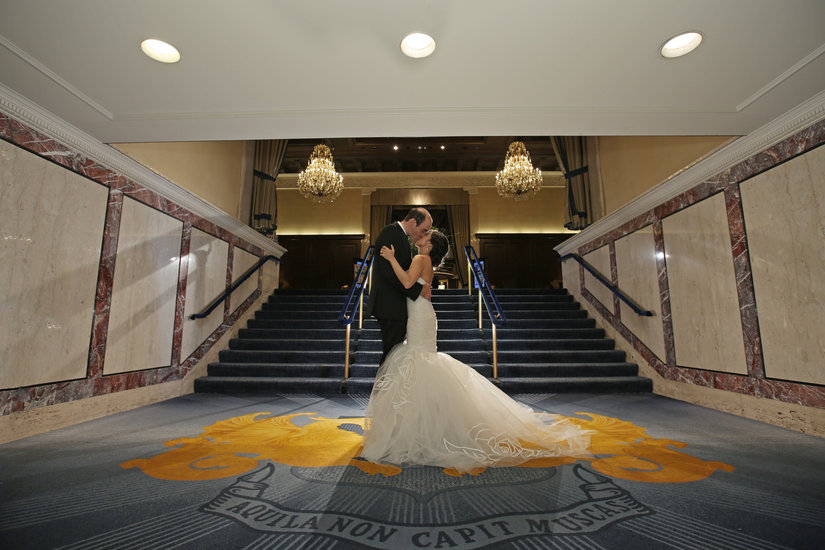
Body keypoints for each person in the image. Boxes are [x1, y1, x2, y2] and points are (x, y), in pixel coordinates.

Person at [360, 230, 591, 473]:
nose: (421, 236)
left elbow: (407, 283)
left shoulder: (420, 260)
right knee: (420, 363)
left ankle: (419, 431)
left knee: (419, 362)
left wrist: (391, 258)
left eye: (425, 235)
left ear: (429, 245)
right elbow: (412, 286)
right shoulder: (423, 260)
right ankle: (426, 428)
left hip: (420, 317)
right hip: (421, 314)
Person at [366, 207, 432, 366]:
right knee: (391, 355)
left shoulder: (399, 235)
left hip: (394, 305)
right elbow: (389, 272)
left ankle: (386, 389)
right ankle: (383, 390)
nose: (422, 234)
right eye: (423, 230)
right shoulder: (391, 232)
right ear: (412, 222)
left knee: (393, 355)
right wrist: (418, 290)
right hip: (390, 305)